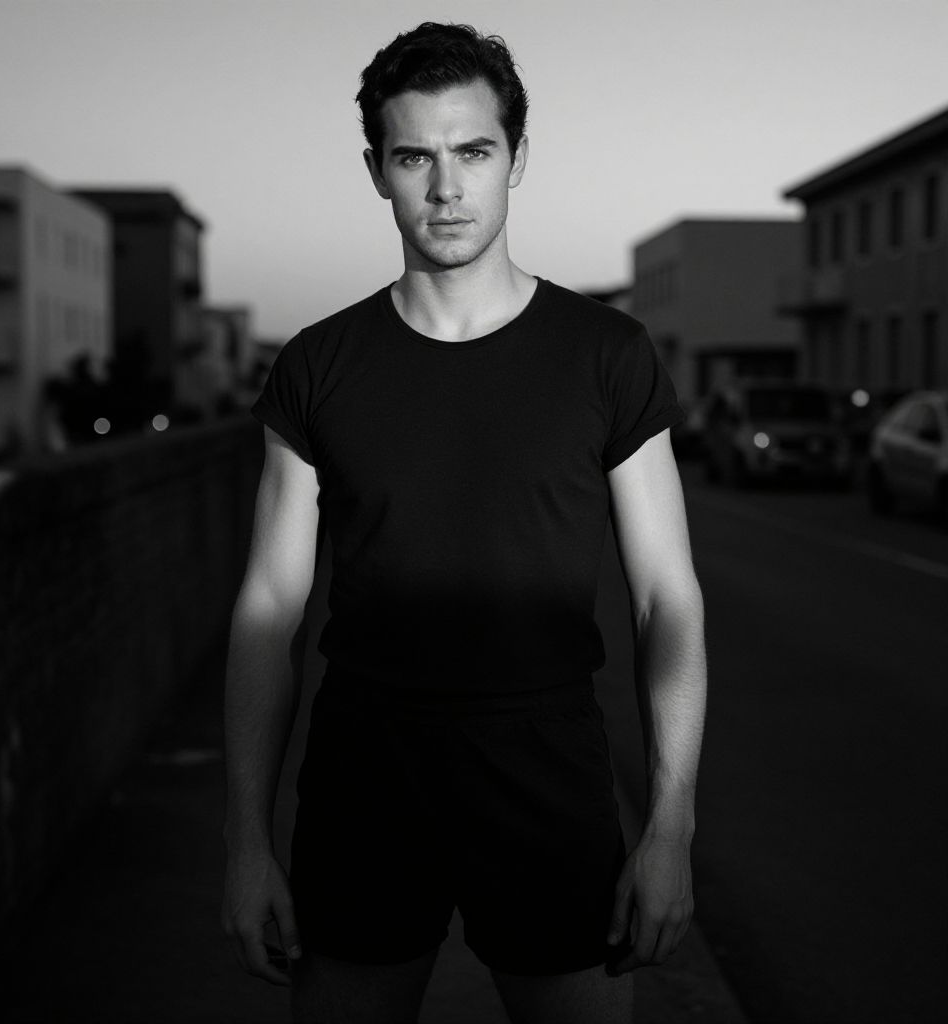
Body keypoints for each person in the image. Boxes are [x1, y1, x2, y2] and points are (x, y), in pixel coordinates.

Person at [222, 21, 706, 1024]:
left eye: (474, 152)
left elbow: (667, 599)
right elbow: (268, 610)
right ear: (376, 171)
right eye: (415, 158)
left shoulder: (607, 355)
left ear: (516, 158)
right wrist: (244, 840)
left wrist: (670, 827)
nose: (446, 188)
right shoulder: (318, 366)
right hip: (366, 772)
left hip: (546, 767)